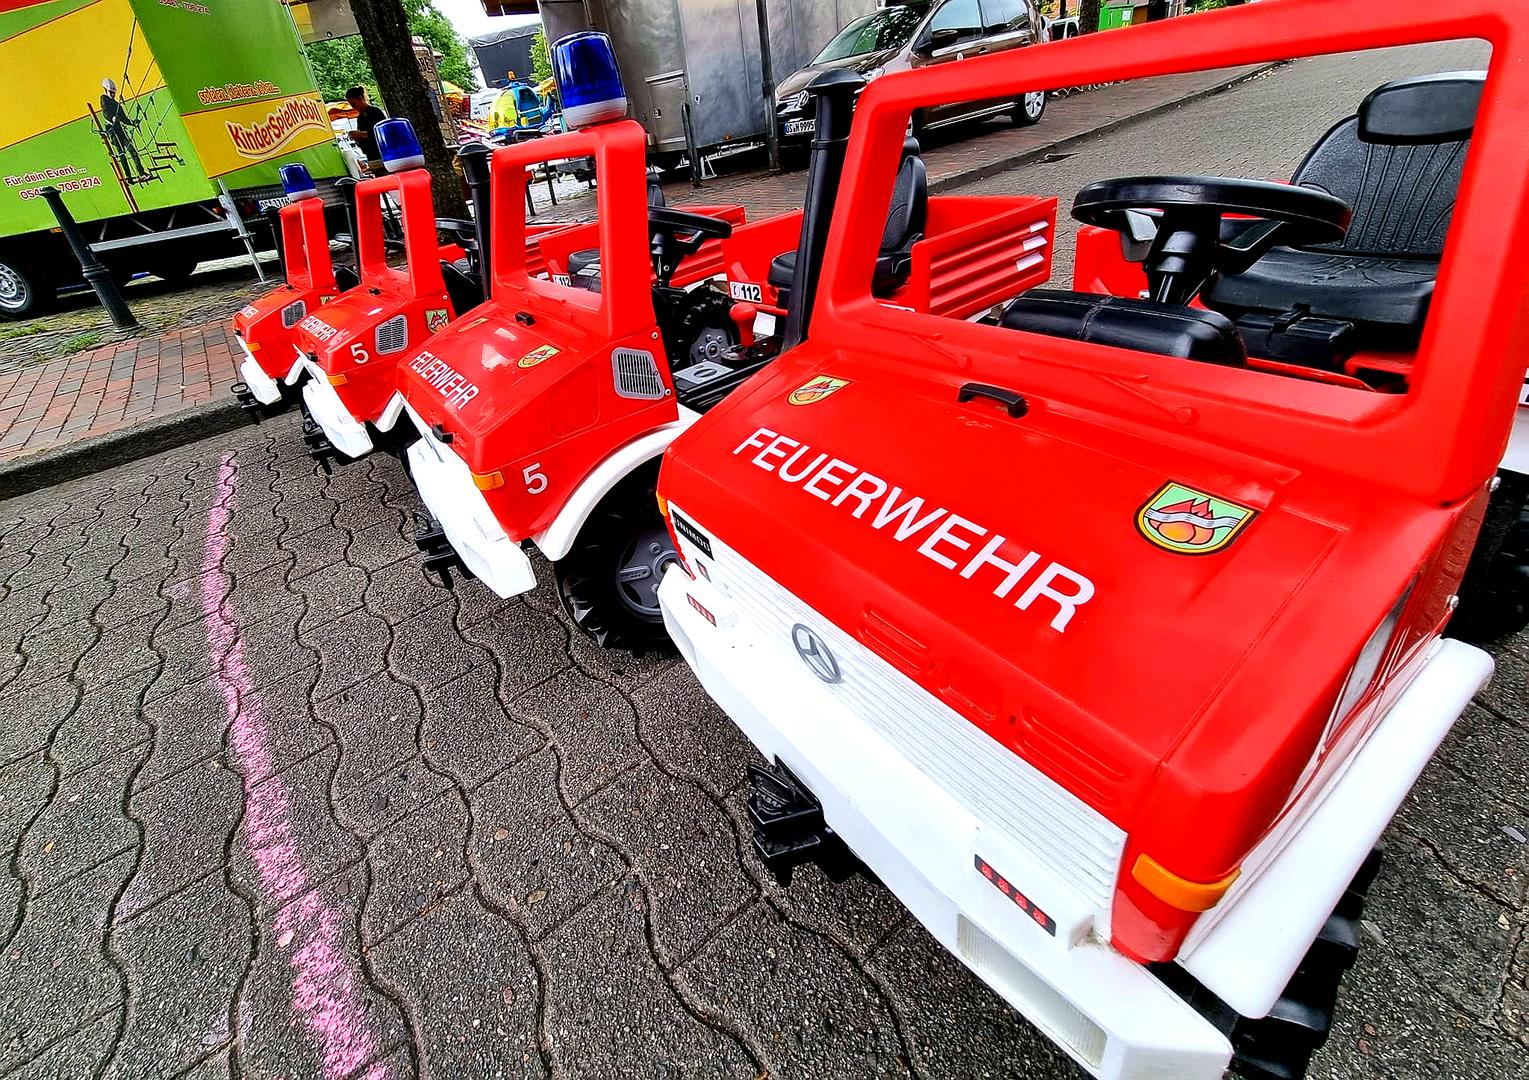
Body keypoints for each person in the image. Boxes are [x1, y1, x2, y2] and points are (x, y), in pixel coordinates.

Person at [100, 77, 144, 180]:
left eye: (113, 93)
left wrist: (132, 123)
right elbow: (105, 111)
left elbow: (124, 118)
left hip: (120, 129)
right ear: (106, 90)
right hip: (112, 130)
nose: (112, 94)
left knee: (132, 150)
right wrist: (112, 118)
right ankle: (128, 177)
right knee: (121, 154)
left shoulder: (116, 104)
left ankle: (141, 173)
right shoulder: (104, 99)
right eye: (111, 92)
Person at [345, 86, 387, 162]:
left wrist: (360, 134)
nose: (354, 107)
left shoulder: (375, 112)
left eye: (354, 104)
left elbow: (381, 133)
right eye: (351, 105)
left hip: (383, 152)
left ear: (361, 98)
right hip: (371, 155)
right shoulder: (360, 118)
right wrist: (357, 138)